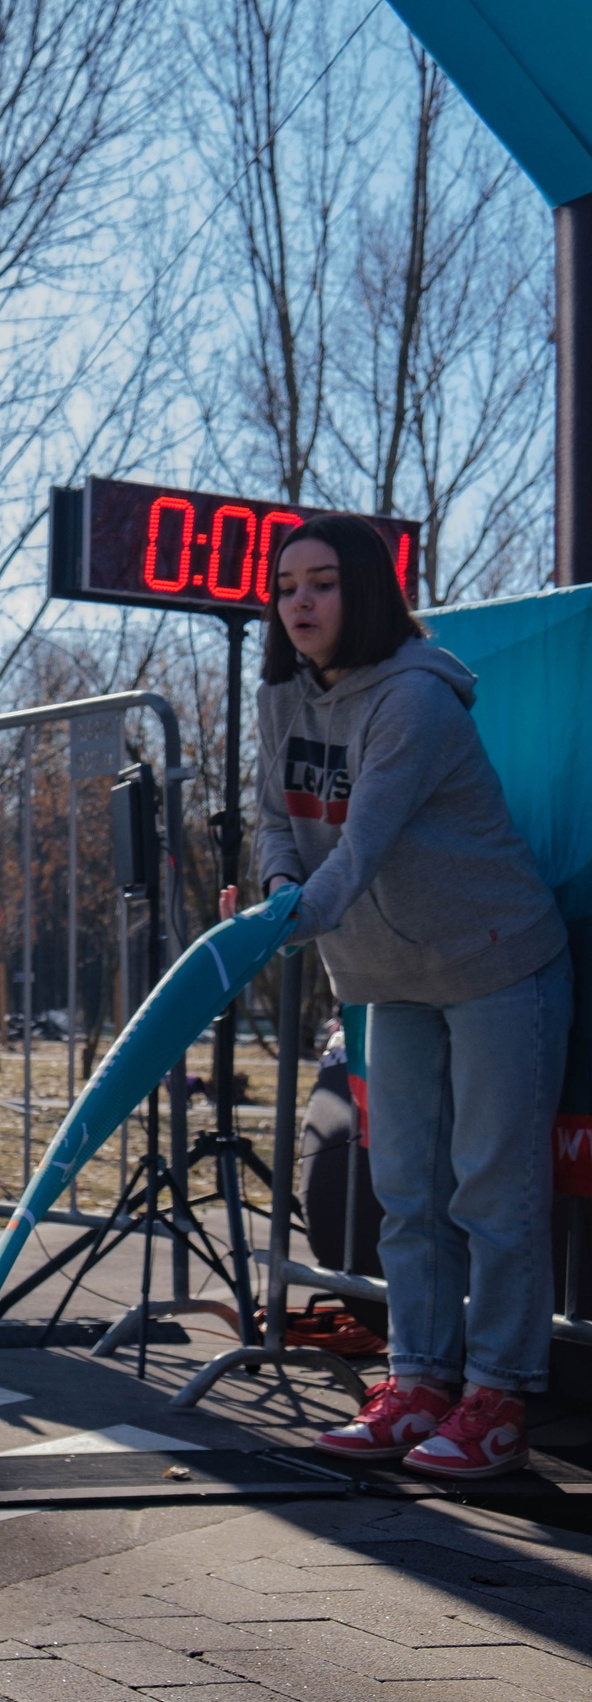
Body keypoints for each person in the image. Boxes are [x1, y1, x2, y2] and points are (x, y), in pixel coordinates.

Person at [254, 514, 571, 1479]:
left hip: (495, 963)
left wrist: (287, 921)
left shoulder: (418, 698)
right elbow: (277, 816)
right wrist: (275, 894)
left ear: (367, 592)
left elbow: (363, 845)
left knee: (491, 1188)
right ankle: (419, 1380)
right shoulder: (280, 697)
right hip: (386, 977)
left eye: (323, 582)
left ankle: (499, 1396)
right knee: (405, 1194)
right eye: (286, 585)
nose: (300, 601)